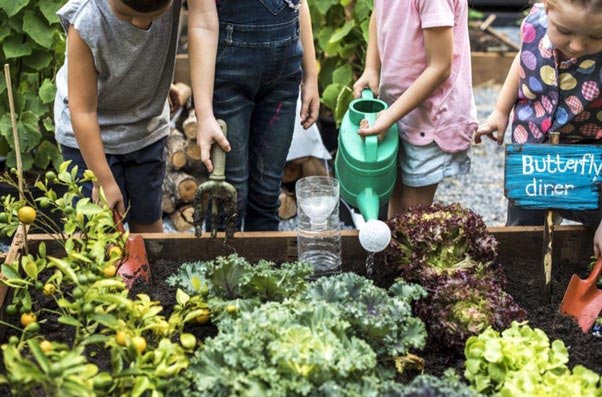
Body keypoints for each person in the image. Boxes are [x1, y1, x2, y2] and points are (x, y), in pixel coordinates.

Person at [476, 0, 602, 256]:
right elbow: (524, 60)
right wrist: (500, 110)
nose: (577, 45)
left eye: (596, 36)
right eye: (565, 31)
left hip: (588, 160)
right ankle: (522, 269)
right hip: (533, 153)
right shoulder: (535, 23)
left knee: (592, 218)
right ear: (547, 7)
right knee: (525, 221)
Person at [188, 0, 320, 231]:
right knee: (230, 195)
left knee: (267, 194)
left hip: (283, 80)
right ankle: (222, 266)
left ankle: (261, 267)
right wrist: (204, 114)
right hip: (229, 78)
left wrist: (311, 77)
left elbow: (300, 4)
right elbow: (202, 22)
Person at [54, 0, 183, 233]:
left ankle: (145, 269)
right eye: (125, 14)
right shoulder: (86, 18)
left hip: (145, 131)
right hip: (90, 138)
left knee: (148, 222)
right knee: (97, 230)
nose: (139, 23)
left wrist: (156, 84)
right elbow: (82, 110)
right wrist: (102, 179)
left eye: (156, 16)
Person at [352, 0, 477, 218]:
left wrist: (390, 116)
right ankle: (392, 250)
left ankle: (407, 251)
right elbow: (378, 14)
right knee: (394, 192)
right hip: (396, 109)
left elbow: (440, 67)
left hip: (431, 117)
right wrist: (371, 68)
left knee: (413, 213)